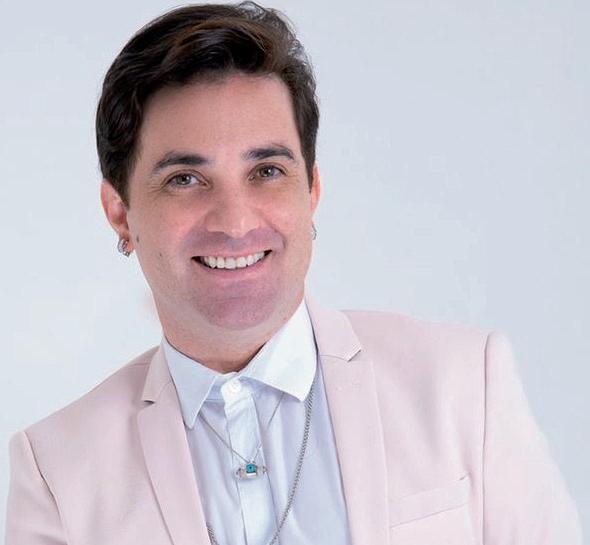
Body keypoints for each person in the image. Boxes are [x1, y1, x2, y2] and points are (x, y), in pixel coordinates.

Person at [5, 3, 582, 544]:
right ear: (120, 213)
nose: (235, 222)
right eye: (185, 179)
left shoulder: (464, 385)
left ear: (312, 190)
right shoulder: (57, 473)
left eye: (267, 171)